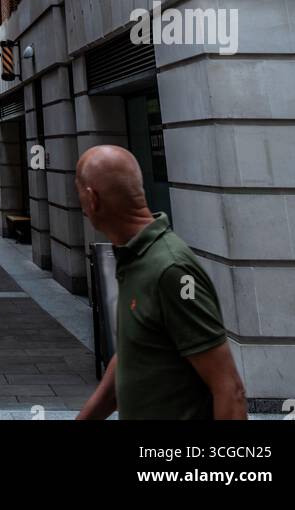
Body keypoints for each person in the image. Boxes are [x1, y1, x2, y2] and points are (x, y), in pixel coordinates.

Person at [74, 146, 247, 422]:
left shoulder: (170, 269)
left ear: (92, 199)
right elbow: (134, 353)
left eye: (79, 191)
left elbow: (229, 389)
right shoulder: (134, 257)